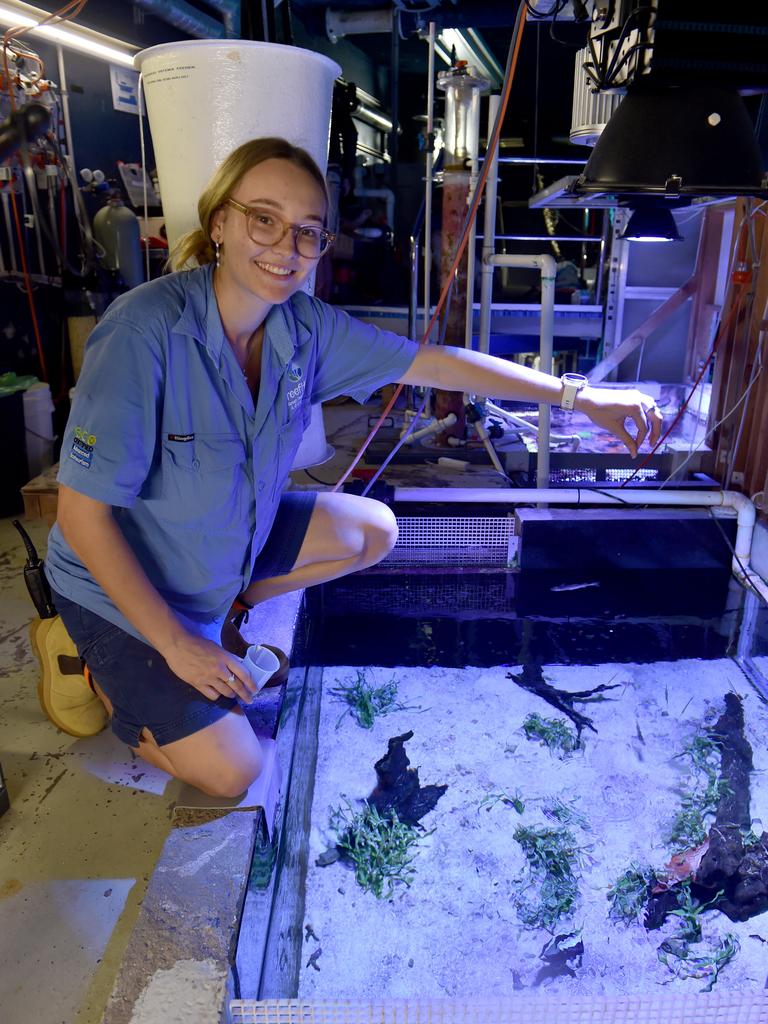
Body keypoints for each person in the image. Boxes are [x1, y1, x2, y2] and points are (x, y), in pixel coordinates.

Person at [38, 137, 662, 798]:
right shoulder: (144, 332)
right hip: (116, 588)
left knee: (373, 530)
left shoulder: (302, 328)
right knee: (234, 772)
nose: (286, 247)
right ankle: (91, 669)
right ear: (218, 222)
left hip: (212, 557)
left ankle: (224, 614)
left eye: (307, 232)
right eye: (264, 219)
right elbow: (82, 515)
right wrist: (176, 645)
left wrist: (580, 395)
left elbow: (437, 361)